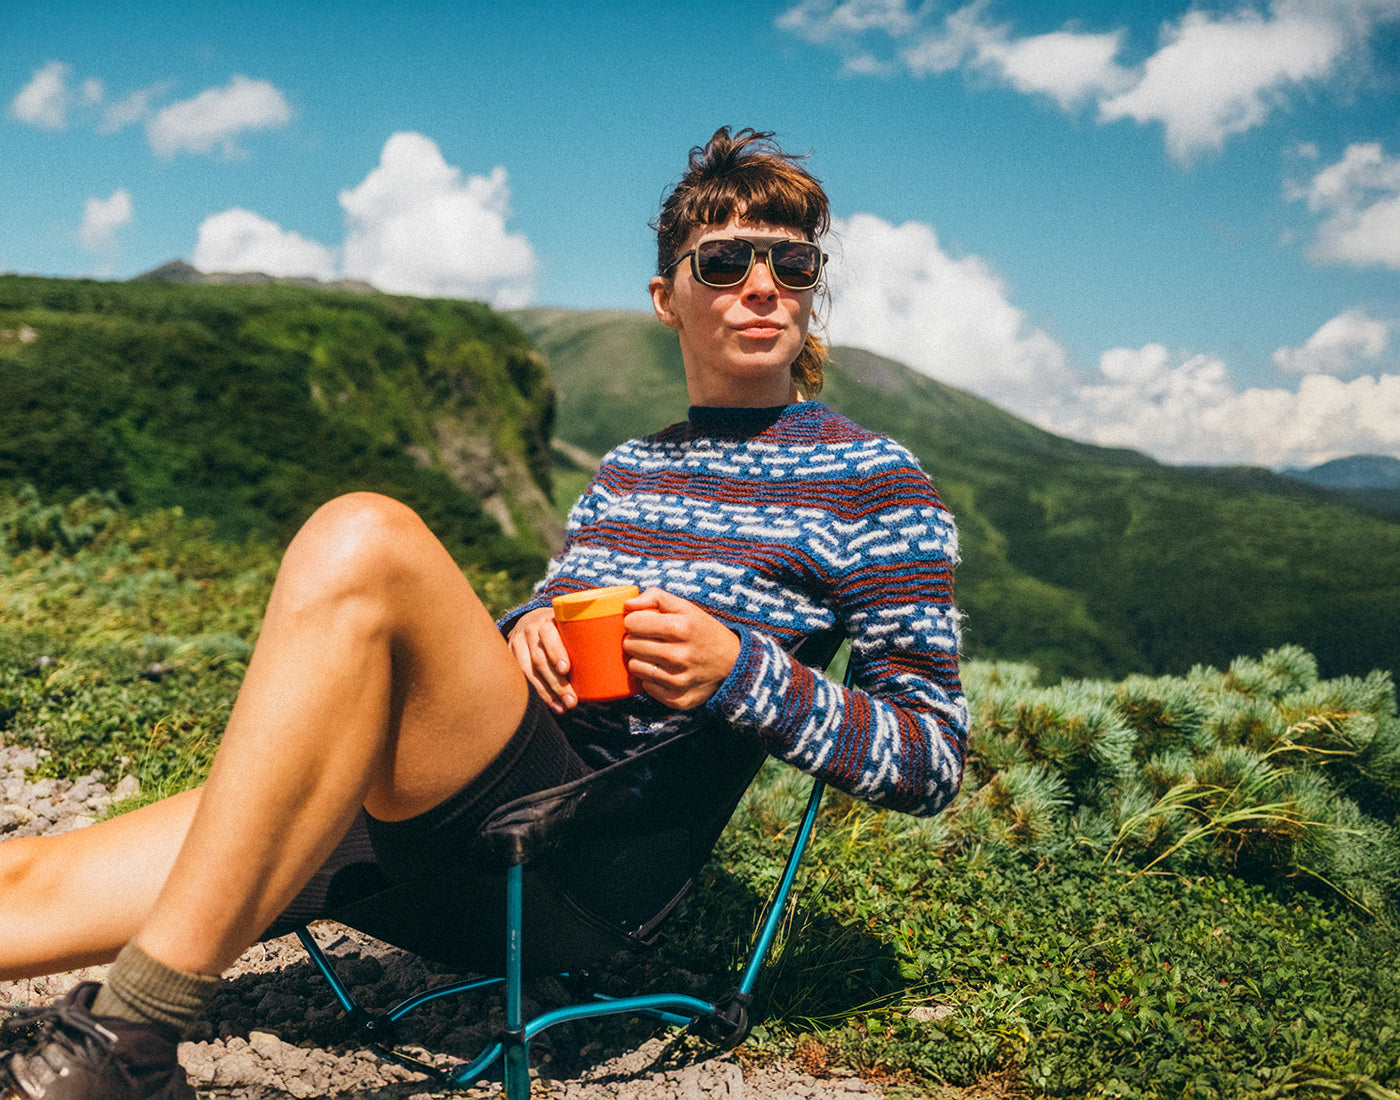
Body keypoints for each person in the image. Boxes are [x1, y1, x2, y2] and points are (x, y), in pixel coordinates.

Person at [0, 126, 967, 1100]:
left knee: (364, 536)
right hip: (443, 797)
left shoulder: (873, 484)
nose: (761, 285)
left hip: (570, 857)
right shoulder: (629, 470)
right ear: (665, 296)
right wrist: (528, 628)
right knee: (27, 883)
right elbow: (540, 622)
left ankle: (134, 1033)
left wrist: (738, 672)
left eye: (791, 263)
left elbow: (930, 757)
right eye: (724, 261)